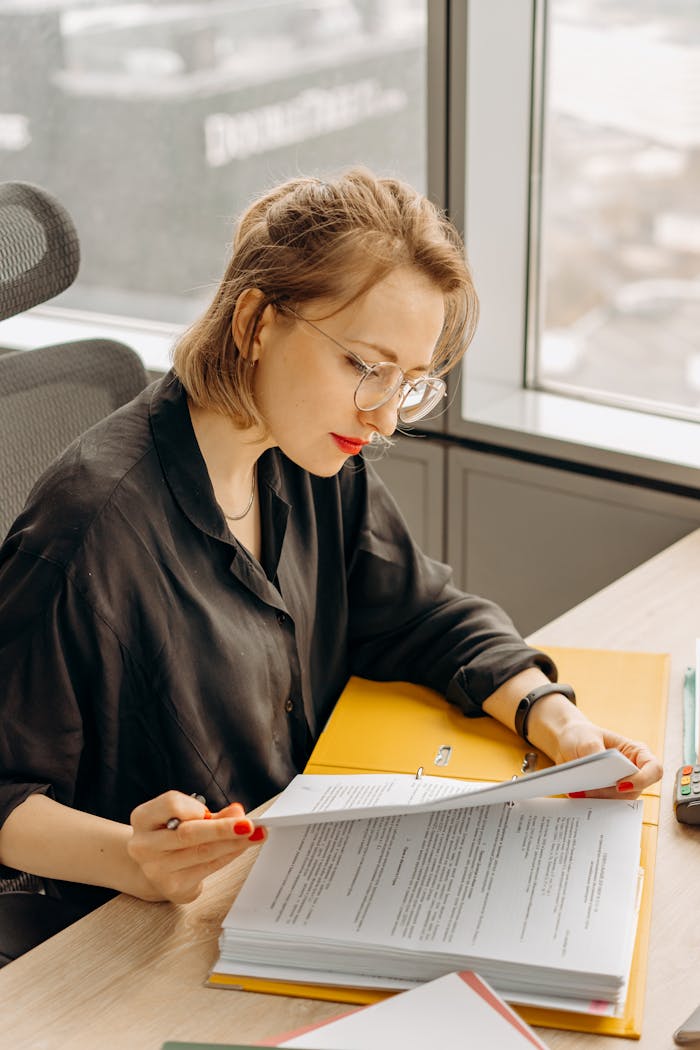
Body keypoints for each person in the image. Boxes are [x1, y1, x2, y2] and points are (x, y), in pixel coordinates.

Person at [0, 169, 661, 918]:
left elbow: (419, 612)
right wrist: (134, 858)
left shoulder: (308, 452)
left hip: (300, 872)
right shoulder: (90, 529)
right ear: (255, 322)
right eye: (363, 367)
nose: (382, 420)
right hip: (148, 930)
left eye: (407, 383)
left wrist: (555, 718)